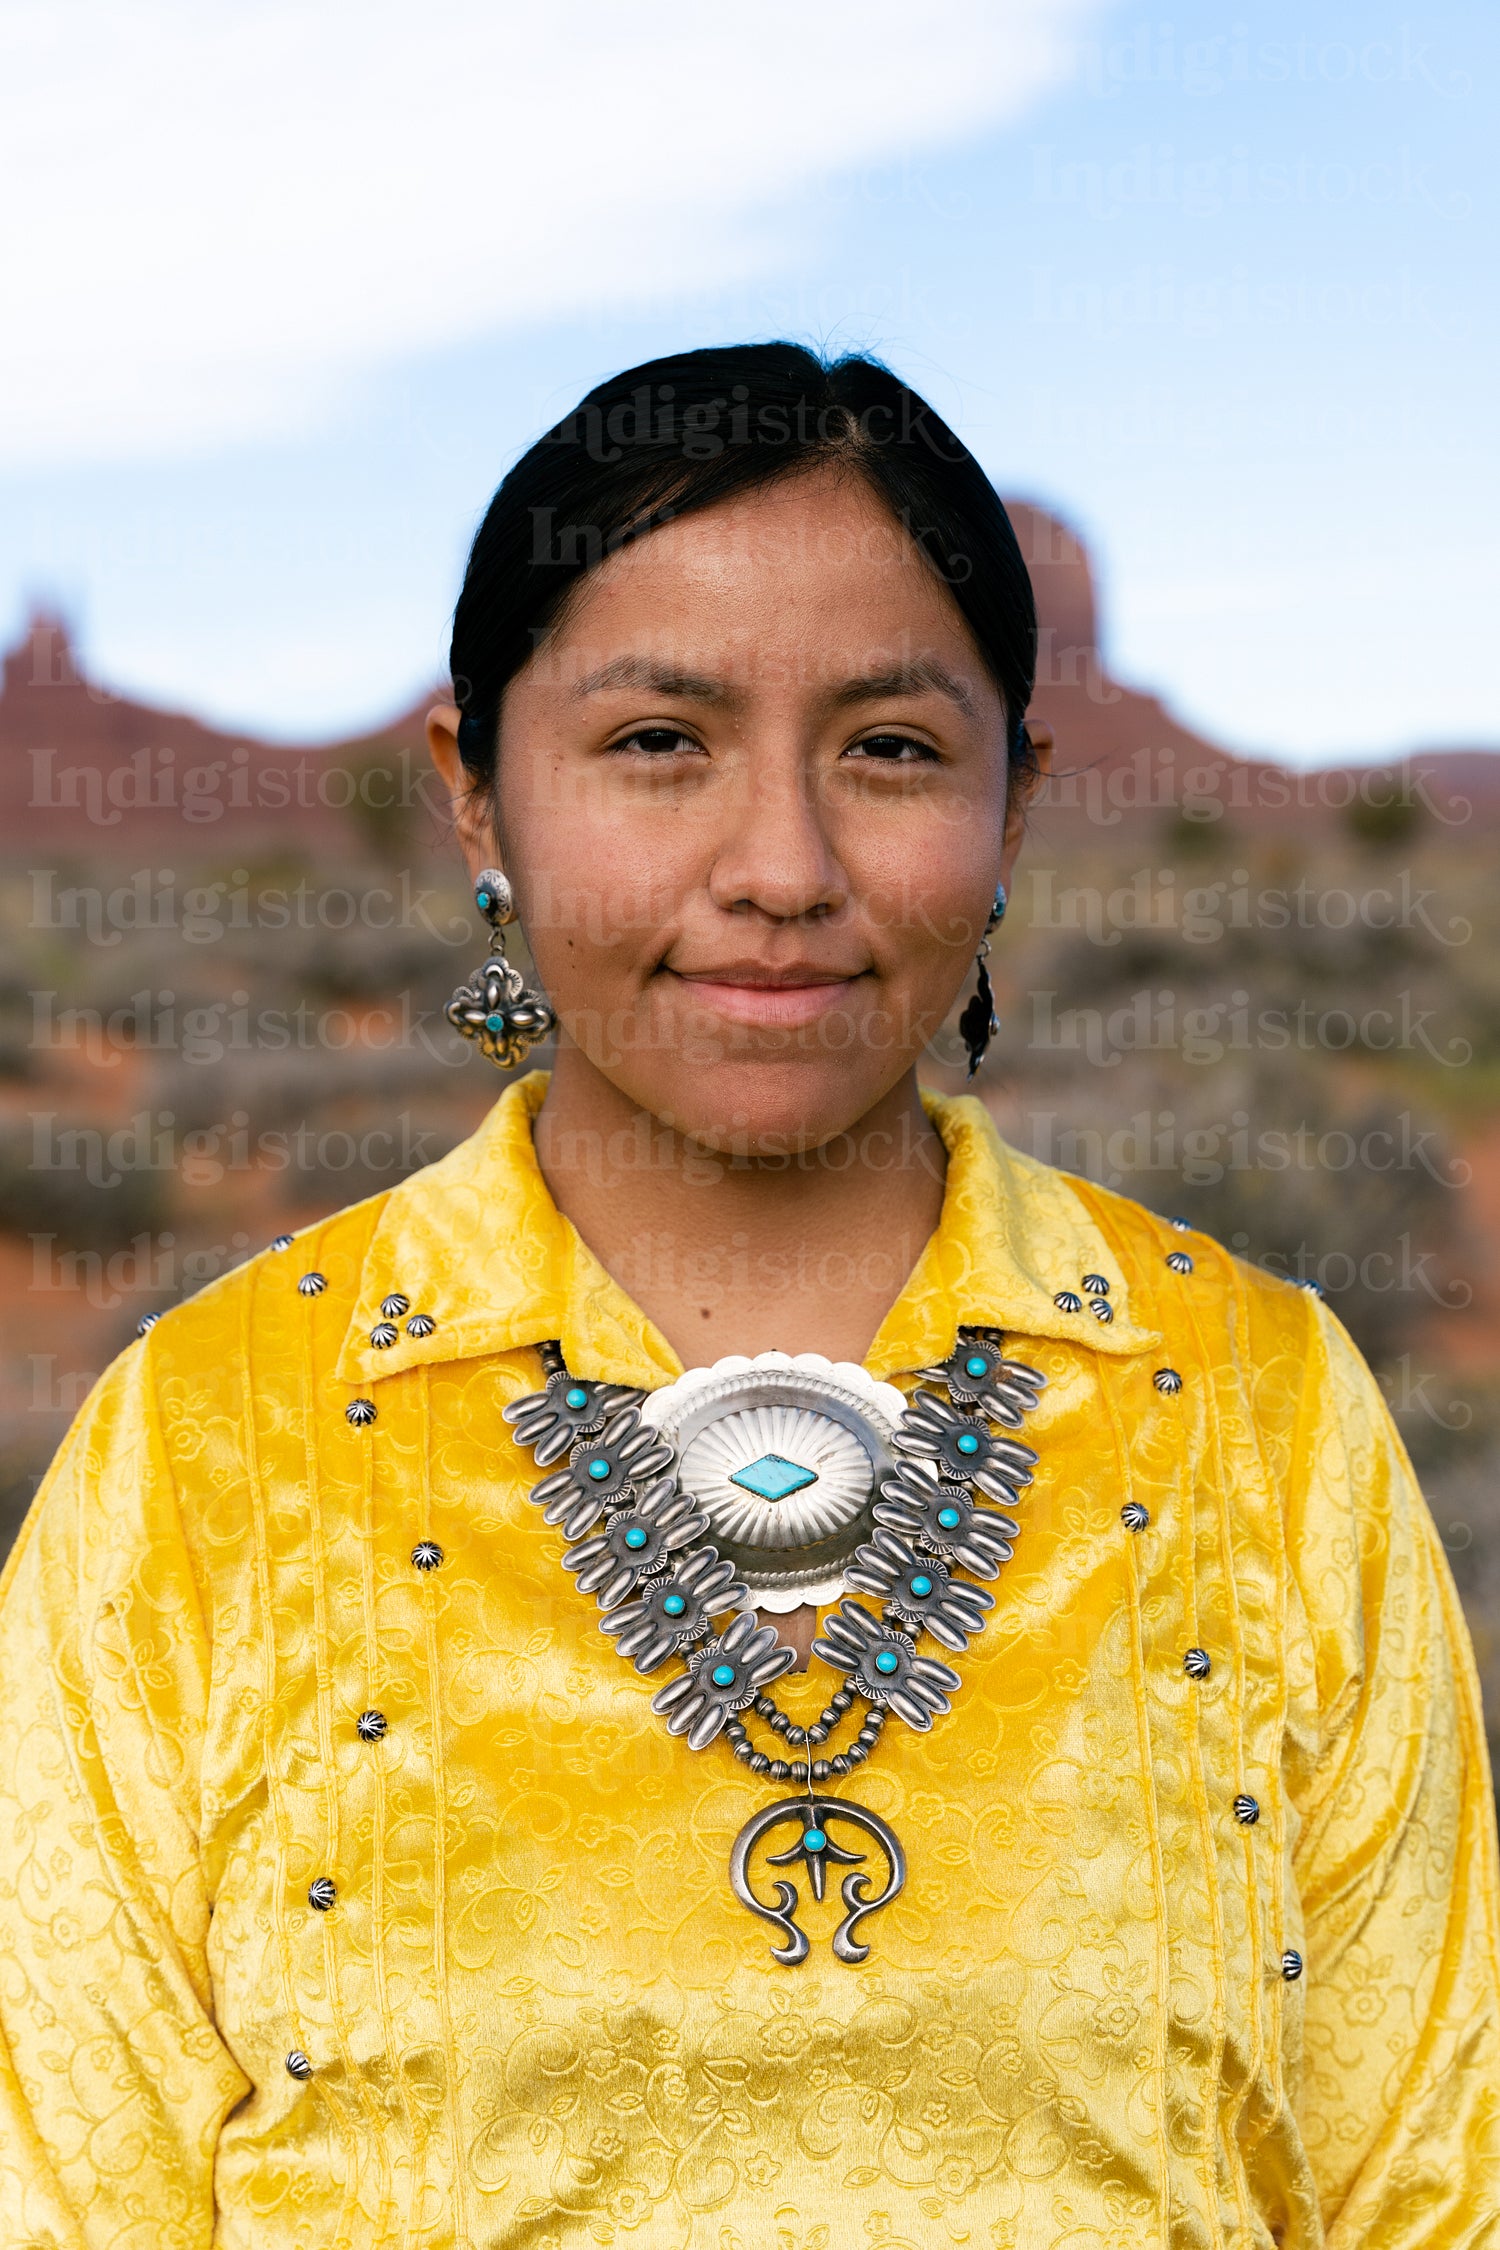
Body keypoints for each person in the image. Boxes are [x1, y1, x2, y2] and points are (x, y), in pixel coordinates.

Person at [1, 345, 1495, 2249]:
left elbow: (1431, 2186)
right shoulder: (204, 1447)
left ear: (1015, 803)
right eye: (656, 745)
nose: (781, 869)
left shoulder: (1261, 1410)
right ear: (478, 798)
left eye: (889, 749)